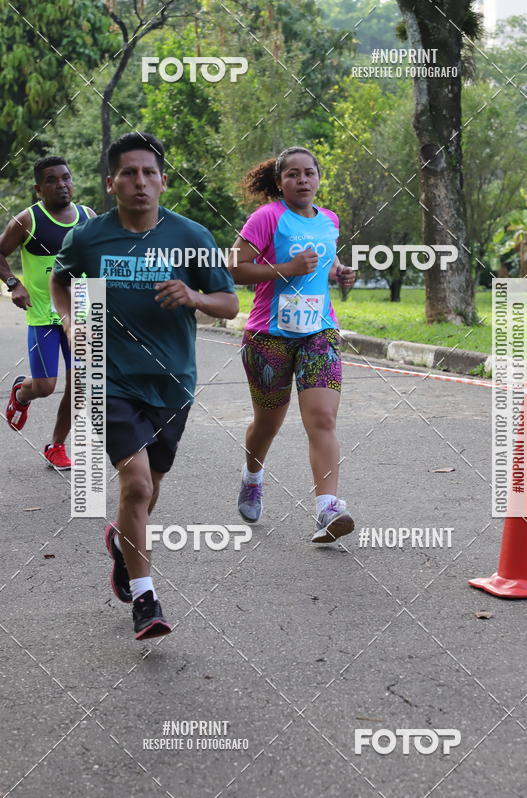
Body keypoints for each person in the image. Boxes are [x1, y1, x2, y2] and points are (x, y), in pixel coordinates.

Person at [51, 132, 238, 640]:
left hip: (173, 382)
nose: (140, 182)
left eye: (149, 173)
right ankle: (145, 598)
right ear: (111, 183)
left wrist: (194, 296)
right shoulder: (90, 238)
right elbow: (61, 279)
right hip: (107, 376)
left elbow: (229, 303)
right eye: (128, 174)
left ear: (163, 181)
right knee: (134, 484)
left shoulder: (191, 236)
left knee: (147, 491)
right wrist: (69, 318)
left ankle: (122, 546)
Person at [227, 146, 356, 544]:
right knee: (267, 425)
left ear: (318, 178)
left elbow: (323, 262)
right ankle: (253, 476)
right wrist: (285, 269)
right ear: (280, 182)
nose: (302, 180)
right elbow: (234, 266)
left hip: (319, 332)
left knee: (322, 418)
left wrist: (340, 272)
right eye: (293, 175)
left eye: (309, 173)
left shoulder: (329, 220)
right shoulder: (268, 217)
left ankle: (327, 508)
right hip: (269, 336)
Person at [1, 156, 95, 469]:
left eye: (66, 178)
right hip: (42, 315)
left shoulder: (88, 217)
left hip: (79, 315)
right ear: (39, 188)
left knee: (80, 384)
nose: (62, 185)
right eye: (52, 180)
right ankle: (22, 392)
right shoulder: (27, 220)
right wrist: (15, 284)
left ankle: (56, 445)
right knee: (44, 386)